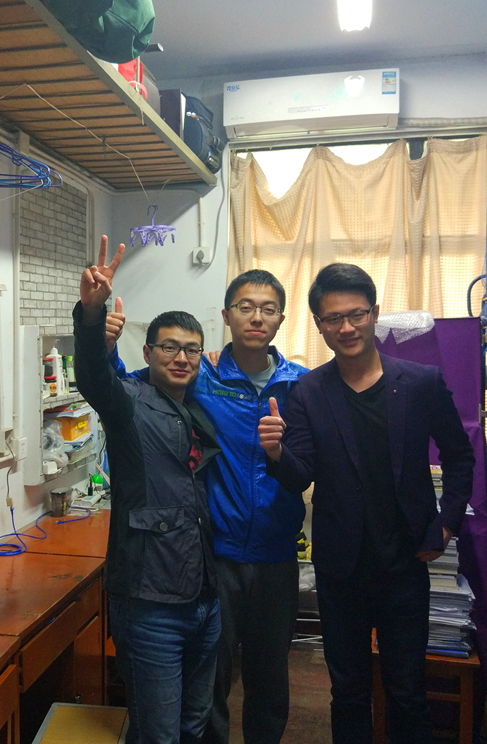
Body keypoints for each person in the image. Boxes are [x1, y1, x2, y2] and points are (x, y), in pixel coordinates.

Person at [258, 263, 475, 744]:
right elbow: (300, 475)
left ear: (374, 313)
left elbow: (460, 458)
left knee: (407, 691)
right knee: (349, 692)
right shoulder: (309, 391)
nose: (347, 327)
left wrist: (446, 525)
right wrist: (275, 453)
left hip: (405, 562)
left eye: (356, 314)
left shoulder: (420, 382)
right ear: (319, 325)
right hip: (342, 569)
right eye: (333, 318)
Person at [106, 270, 308, 744]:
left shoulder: (301, 385)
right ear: (226, 315)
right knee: (210, 681)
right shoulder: (204, 374)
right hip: (215, 557)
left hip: (277, 554)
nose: (256, 317)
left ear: (281, 319)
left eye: (268, 309)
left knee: (269, 679)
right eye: (245, 307)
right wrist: (103, 341)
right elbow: (131, 390)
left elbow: (310, 463)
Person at [75, 235, 222, 744]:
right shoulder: (128, 402)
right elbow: (93, 377)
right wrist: (91, 317)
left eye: (191, 350)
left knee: (193, 723)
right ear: (148, 352)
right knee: (158, 734)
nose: (181, 358)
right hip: (149, 602)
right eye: (169, 347)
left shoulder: (199, 408)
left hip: (204, 598)